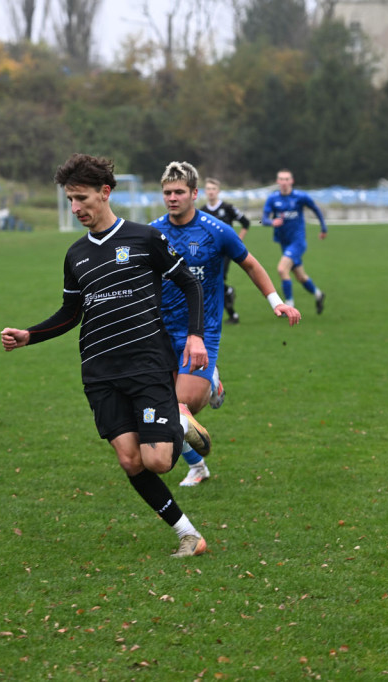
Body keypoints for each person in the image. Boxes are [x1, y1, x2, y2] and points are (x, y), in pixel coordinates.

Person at [0, 153, 212, 558]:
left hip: (148, 363)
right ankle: (189, 535)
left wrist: (195, 337)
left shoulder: (144, 239)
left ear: (105, 192)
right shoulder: (75, 255)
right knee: (131, 461)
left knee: (159, 461)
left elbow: (189, 284)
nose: (76, 208)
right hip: (99, 371)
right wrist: (30, 335)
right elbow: (70, 314)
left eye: (82, 198)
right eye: (70, 201)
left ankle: (177, 419)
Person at [152, 162, 301, 487]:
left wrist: (276, 302)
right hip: (161, 335)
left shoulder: (216, 230)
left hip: (201, 335)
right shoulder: (153, 232)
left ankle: (210, 382)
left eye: (179, 192)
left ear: (194, 193)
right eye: (167, 192)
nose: (172, 198)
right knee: (165, 415)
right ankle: (198, 466)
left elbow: (250, 264)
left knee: (177, 410)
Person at [262, 169, 328, 314]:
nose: (284, 182)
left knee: (281, 269)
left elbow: (316, 209)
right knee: (300, 276)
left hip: (298, 242)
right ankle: (318, 294)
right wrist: (272, 222)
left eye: (287, 179)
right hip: (284, 242)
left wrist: (323, 228)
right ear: (277, 182)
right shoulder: (273, 199)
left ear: (291, 181)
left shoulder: (300, 197)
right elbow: (263, 220)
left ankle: (289, 304)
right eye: (281, 179)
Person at [200, 177, 251, 325]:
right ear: (205, 191)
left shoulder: (228, 208)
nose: (211, 192)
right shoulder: (202, 211)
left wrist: (238, 241)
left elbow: (246, 223)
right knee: (211, 282)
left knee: (217, 280)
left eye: (213, 189)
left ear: (218, 191)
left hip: (225, 251)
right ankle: (230, 307)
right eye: (208, 189)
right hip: (209, 253)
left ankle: (228, 315)